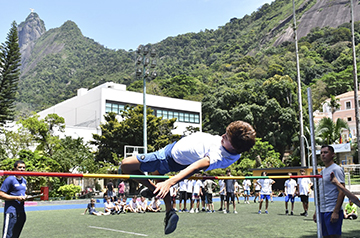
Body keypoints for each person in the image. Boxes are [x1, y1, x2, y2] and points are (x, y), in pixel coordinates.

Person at [121, 120, 256, 234]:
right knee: (157, 173)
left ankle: (152, 189)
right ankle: (169, 211)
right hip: (174, 151)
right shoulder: (234, 148)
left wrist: (170, 182)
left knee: (126, 165)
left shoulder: (219, 156)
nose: (222, 136)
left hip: (167, 157)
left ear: (233, 146)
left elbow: (195, 167)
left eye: (226, 137)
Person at [313, 145, 345, 238]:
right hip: (322, 210)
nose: (323, 155)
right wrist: (317, 210)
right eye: (321, 153)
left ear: (332, 154)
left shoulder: (336, 169)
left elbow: (342, 191)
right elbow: (321, 192)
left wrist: (336, 211)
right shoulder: (323, 171)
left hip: (332, 210)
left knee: (333, 236)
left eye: (326, 152)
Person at [0, 160, 28, 238]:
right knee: (7, 235)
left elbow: (21, 193)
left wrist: (25, 196)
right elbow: (1, 194)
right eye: (19, 167)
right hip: (11, 212)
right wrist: (16, 198)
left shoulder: (24, 181)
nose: (22, 169)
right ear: (14, 169)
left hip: (21, 211)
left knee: (16, 235)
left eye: (23, 167)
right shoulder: (10, 179)